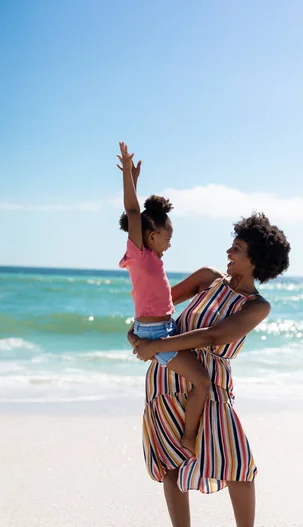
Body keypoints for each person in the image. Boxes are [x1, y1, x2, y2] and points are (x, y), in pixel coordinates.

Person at [128, 213, 291, 527]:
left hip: (211, 385)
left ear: (256, 260)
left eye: (238, 248)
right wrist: (139, 331)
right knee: (170, 461)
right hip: (166, 376)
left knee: (236, 460)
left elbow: (216, 336)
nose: (228, 251)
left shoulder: (257, 306)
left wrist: (156, 346)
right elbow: (155, 302)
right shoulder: (207, 278)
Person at [117, 141, 210, 453]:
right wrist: (128, 175)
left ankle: (138, 343)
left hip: (156, 330)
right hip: (157, 332)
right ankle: (188, 436)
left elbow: (138, 216)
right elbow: (133, 212)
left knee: (198, 362)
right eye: (168, 238)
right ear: (152, 237)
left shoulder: (153, 258)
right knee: (203, 381)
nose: (170, 243)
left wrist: (136, 180)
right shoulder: (140, 256)